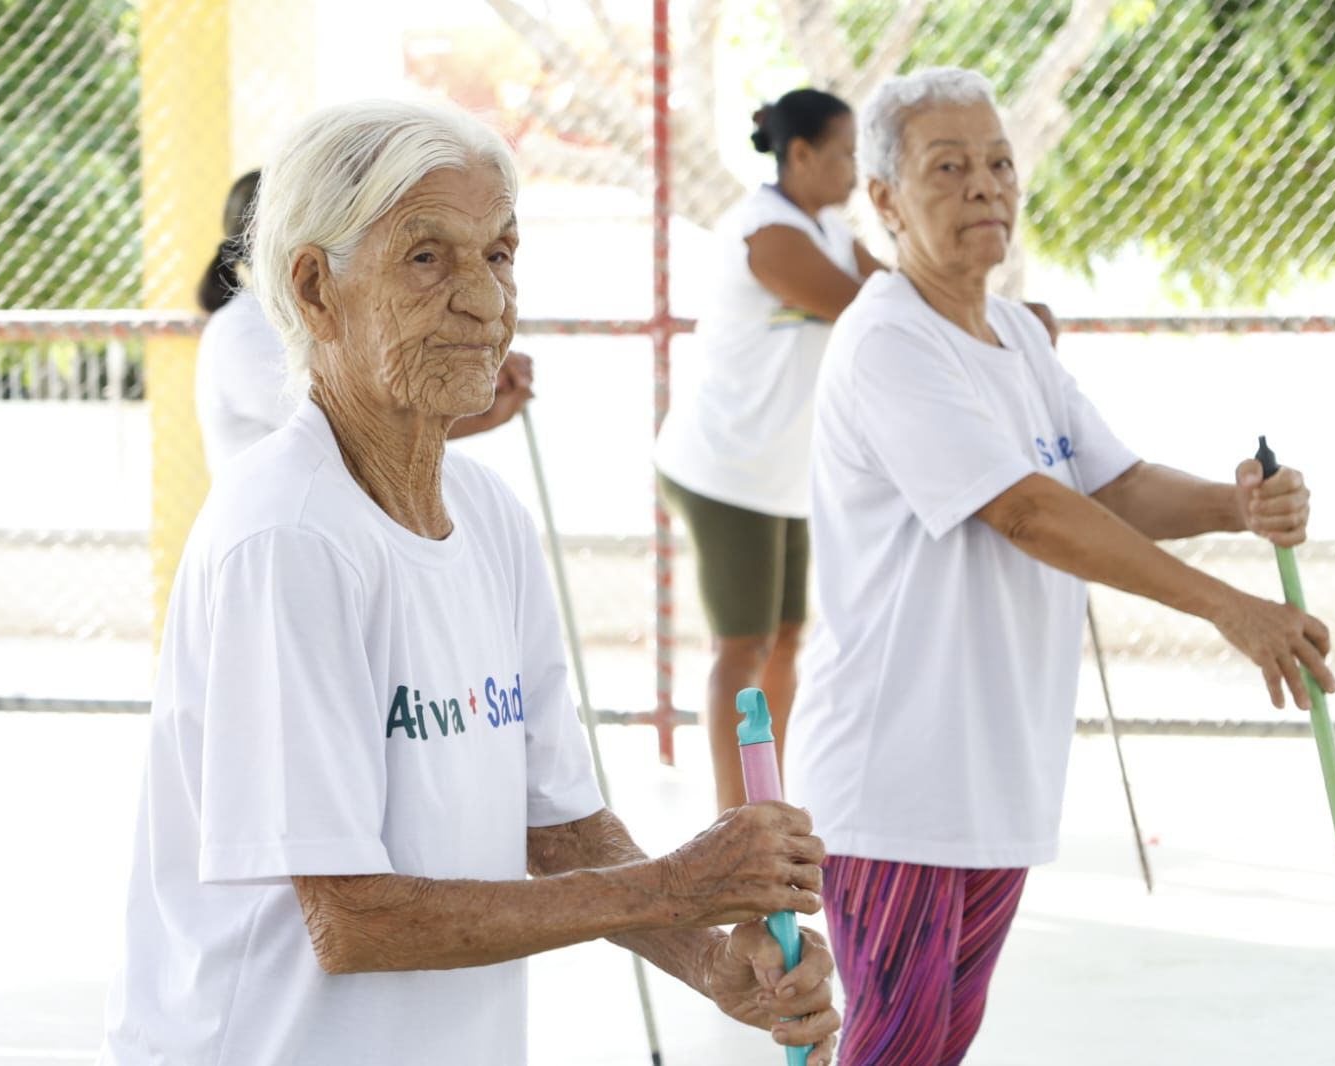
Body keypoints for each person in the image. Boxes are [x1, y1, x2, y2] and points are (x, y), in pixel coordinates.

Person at [101, 99, 838, 1066]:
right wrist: (677, 885)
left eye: (499, 255)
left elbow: (563, 829)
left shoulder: (486, 515)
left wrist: (707, 964)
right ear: (316, 289)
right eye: (426, 258)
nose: (486, 301)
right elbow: (354, 921)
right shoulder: (286, 539)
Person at [783, 67, 1335, 1066]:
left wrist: (1232, 506)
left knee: (936, 1046)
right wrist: (1226, 607)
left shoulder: (1012, 341)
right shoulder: (888, 342)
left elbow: (1109, 486)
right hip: (896, 782)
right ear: (884, 200)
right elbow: (1030, 511)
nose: (986, 185)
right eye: (947, 167)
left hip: (993, 778)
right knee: (896, 1050)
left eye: (999, 162)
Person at [653, 88, 888, 812]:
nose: (854, 168)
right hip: (728, 471)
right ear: (799, 155)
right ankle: (737, 820)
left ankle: (769, 800)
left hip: (784, 476)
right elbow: (872, 309)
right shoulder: (768, 232)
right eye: (844, 153)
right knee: (741, 649)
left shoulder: (825, 227)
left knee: (786, 638)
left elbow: (893, 292)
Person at [194, 169, 532, 476]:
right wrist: (476, 406)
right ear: (262, 238)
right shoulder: (241, 330)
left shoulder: (331, 310)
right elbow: (351, 428)